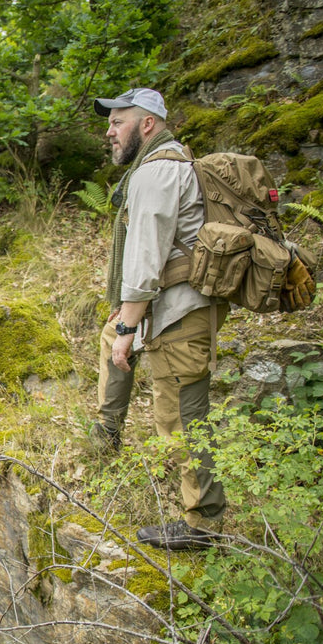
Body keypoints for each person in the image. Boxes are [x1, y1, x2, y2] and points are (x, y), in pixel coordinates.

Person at [92, 87, 229, 550]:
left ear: (146, 124)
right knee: (110, 337)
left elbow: (145, 257)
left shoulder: (155, 174)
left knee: (181, 419)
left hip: (180, 312)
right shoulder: (171, 162)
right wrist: (123, 323)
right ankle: (107, 432)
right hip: (172, 304)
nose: (109, 132)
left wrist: (129, 326)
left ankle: (202, 526)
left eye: (118, 122)